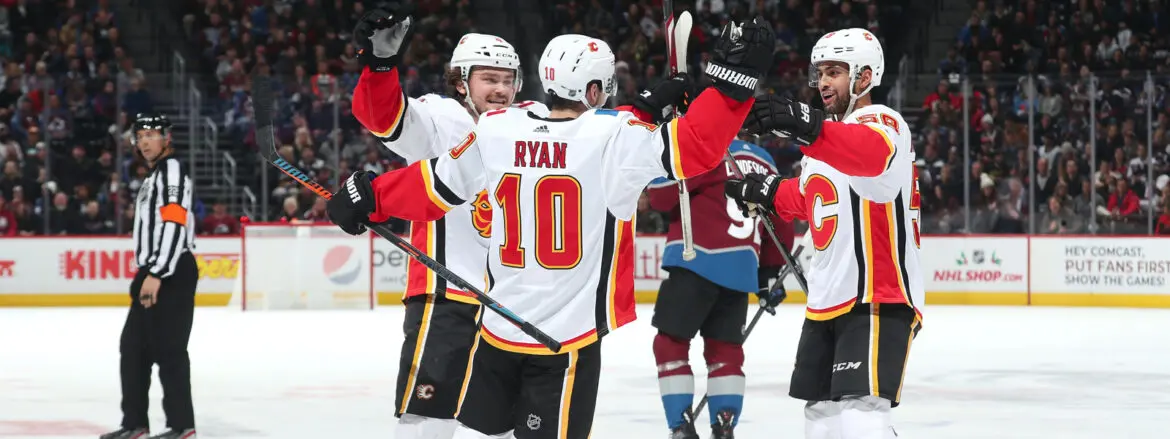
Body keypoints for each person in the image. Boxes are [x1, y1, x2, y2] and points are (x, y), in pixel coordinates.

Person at [327, 19, 776, 439]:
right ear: (596, 89)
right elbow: (696, 145)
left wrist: (372, 195)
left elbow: (433, 185)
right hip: (564, 340)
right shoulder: (616, 137)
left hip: (497, 329)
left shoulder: (499, 130)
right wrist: (732, 85)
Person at [349, 4, 549, 438]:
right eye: (488, 79)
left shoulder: (531, 122)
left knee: (498, 424)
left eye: (507, 79)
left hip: (514, 300)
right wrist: (380, 67)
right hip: (447, 296)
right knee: (426, 422)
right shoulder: (440, 117)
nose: (501, 89)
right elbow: (384, 118)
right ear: (461, 82)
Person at [724, 28, 924, 439]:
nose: (824, 82)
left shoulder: (884, 123)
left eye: (835, 71)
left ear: (865, 78)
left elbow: (867, 155)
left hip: (875, 296)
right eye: (821, 72)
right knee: (822, 421)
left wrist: (804, 125)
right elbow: (811, 197)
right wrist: (765, 190)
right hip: (828, 300)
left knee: (860, 418)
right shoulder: (824, 144)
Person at [646, 135, 793, 439]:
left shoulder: (707, 146)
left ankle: (680, 426)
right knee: (725, 352)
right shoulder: (766, 160)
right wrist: (767, 275)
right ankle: (724, 428)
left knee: (670, 343)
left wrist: (662, 163)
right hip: (741, 270)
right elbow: (780, 220)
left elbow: (660, 197)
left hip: (695, 257)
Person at [101, 113, 199, 439]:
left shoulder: (171, 170)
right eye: (140, 135)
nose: (144, 141)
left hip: (169, 270)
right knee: (134, 348)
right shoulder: (154, 175)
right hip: (153, 270)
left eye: (151, 134)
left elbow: (175, 219)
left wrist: (157, 272)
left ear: (166, 138)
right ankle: (135, 424)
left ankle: (182, 426)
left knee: (168, 349)